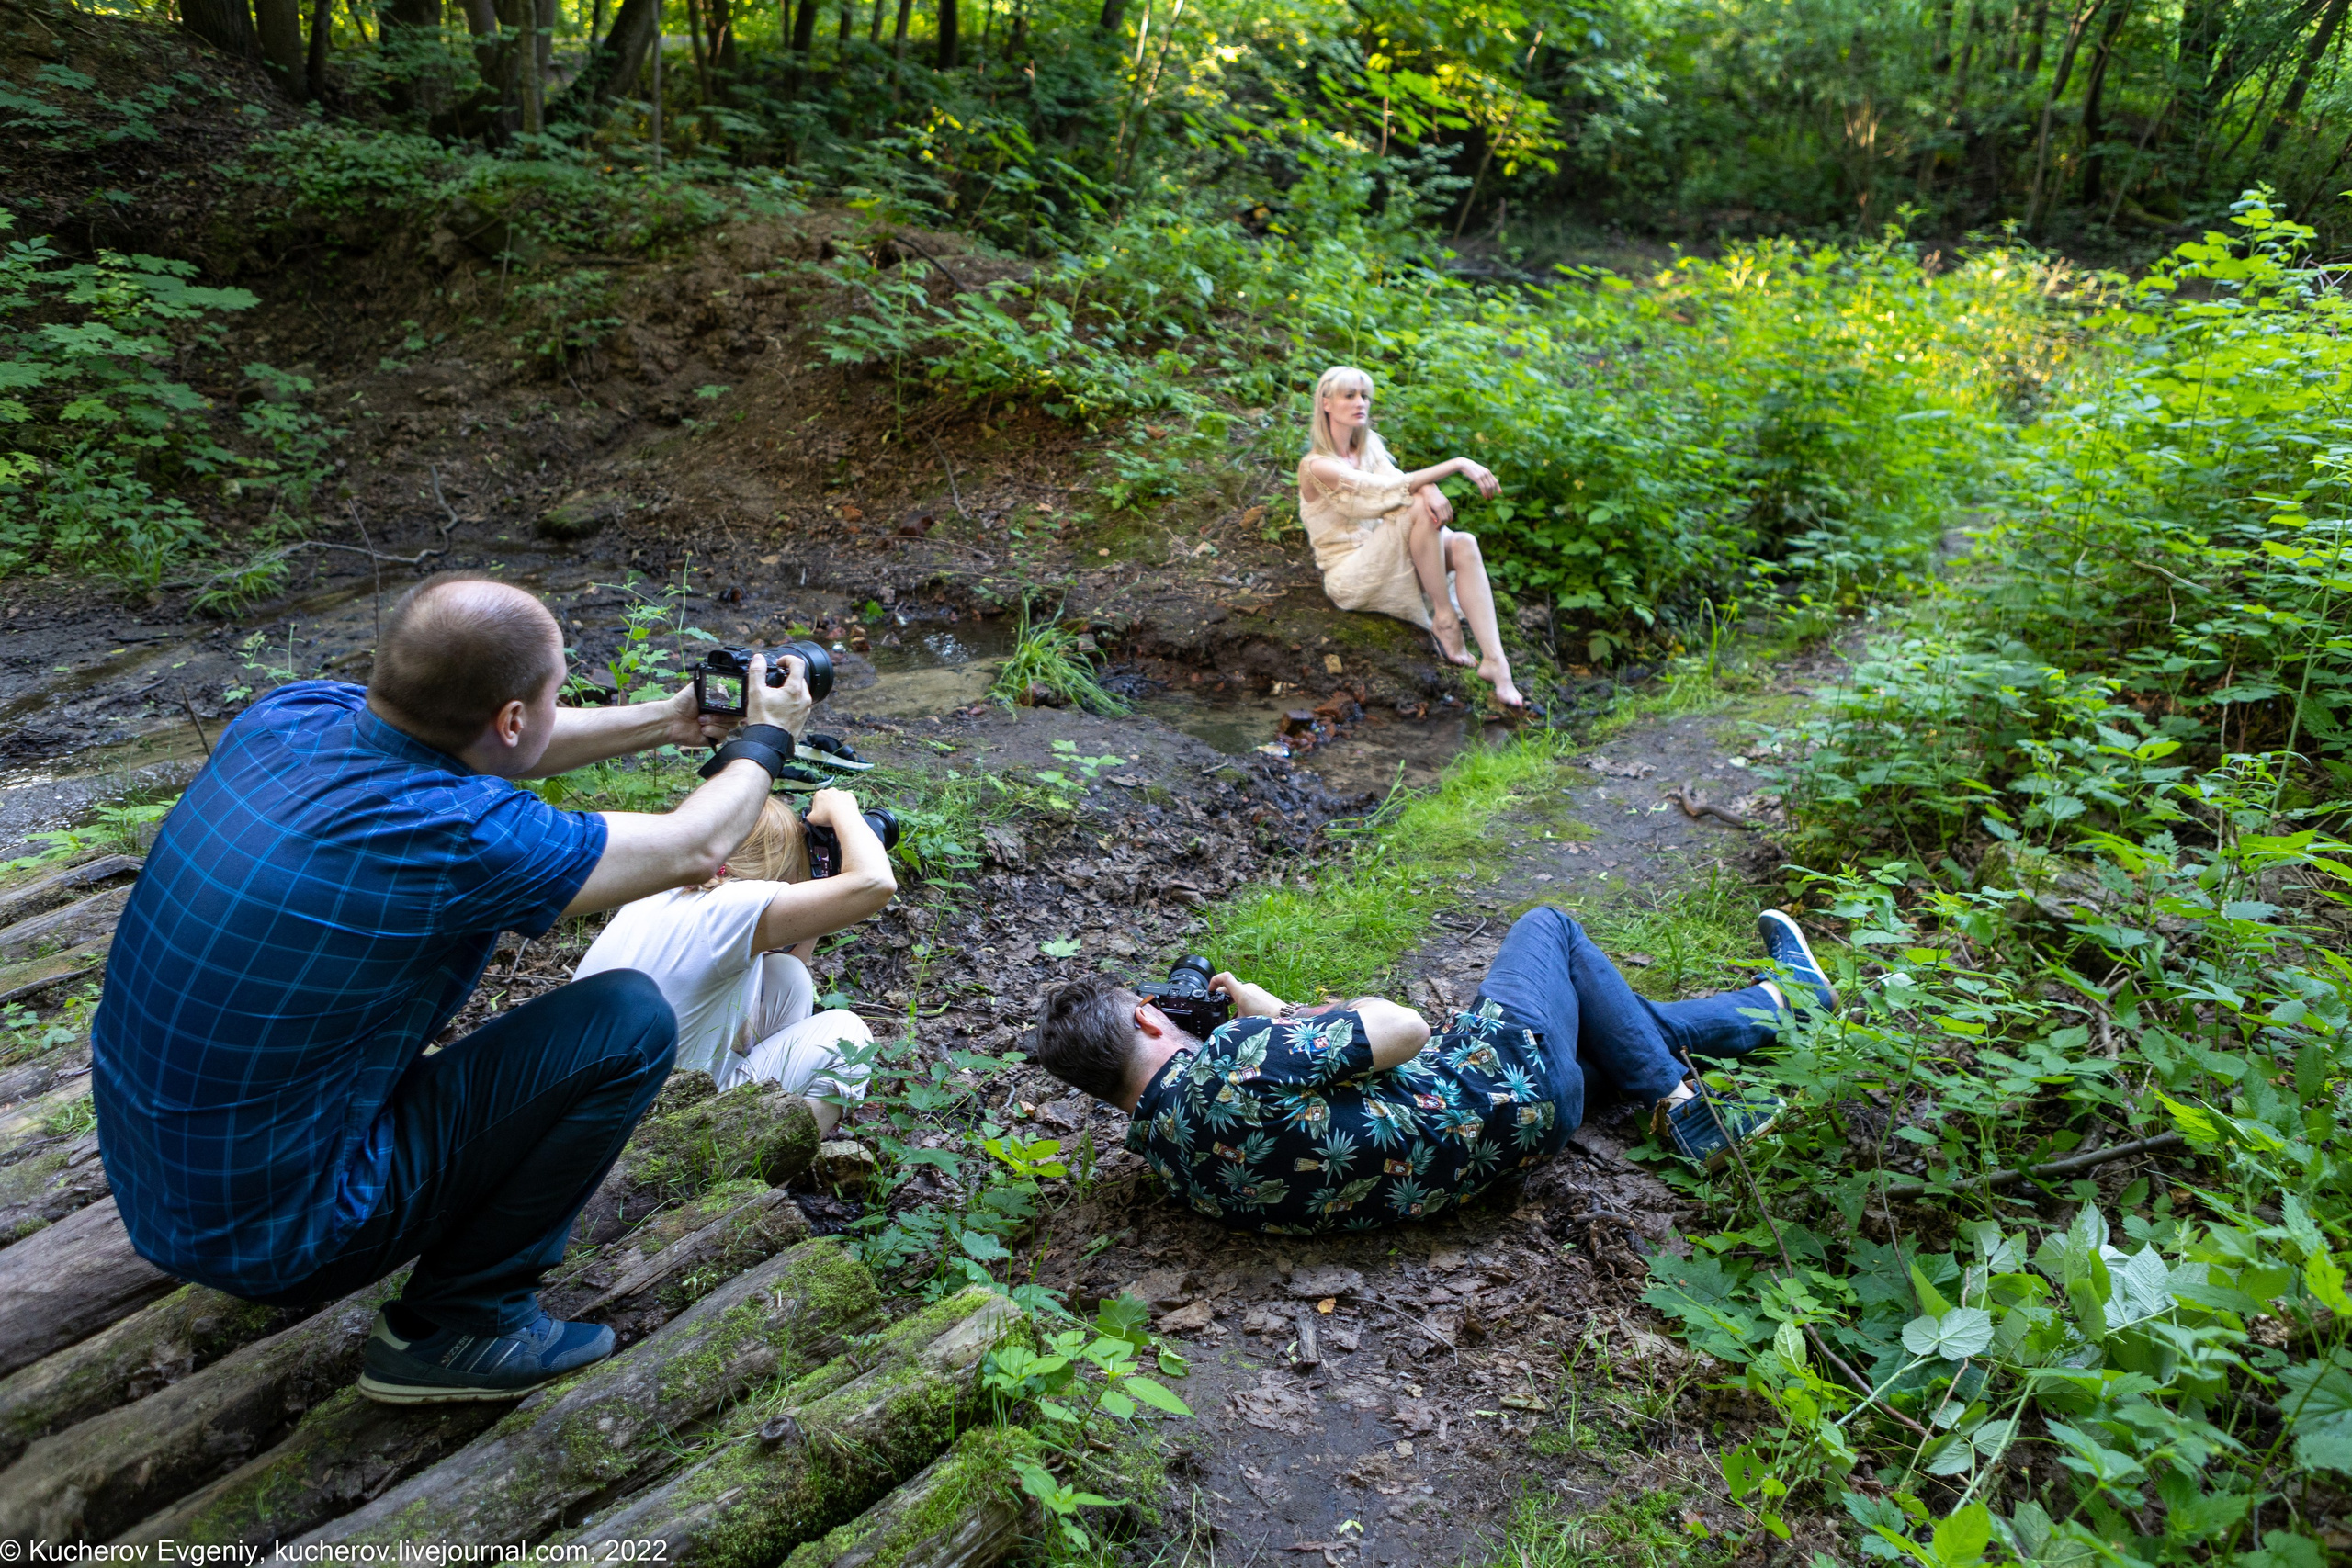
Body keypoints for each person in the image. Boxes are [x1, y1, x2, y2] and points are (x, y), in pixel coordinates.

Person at [91, 572, 817, 1405]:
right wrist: (768, 739)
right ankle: (462, 1324)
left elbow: (495, 739)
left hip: (155, 1177)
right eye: (550, 698)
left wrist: (669, 719)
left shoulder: (291, 715)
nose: (550, 713)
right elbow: (695, 846)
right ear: (511, 718)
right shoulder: (459, 835)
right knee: (628, 1019)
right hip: (281, 1234)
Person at [1029, 908, 1838, 1234]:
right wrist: (1277, 1015)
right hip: (1503, 1087)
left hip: (1488, 1151)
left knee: (1611, 1029)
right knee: (1549, 927)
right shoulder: (1237, 1060)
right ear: (1149, 1018)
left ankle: (1788, 1002)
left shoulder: (1167, 1158)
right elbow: (1406, 1027)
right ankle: (1684, 1107)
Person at [573, 791, 894, 1134]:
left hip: (597, 1101)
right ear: (781, 858)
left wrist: (822, 878)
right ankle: (746, 1162)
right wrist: (844, 811)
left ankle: (760, 1118)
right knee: (848, 1035)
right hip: (654, 1124)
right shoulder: (732, 907)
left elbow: (792, 957)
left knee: (786, 976)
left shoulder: (666, 888)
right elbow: (875, 883)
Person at [1297, 364, 1525, 713]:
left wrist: (1429, 487)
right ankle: (1444, 617)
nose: (1360, 403)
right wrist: (1458, 463)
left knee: (1464, 543)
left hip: (1387, 553)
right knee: (1417, 505)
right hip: (1350, 574)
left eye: (1364, 396)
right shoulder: (1316, 466)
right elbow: (1384, 492)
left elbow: (1398, 479)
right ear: (1326, 403)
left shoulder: (1370, 447)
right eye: (1349, 396)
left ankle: (1497, 663)